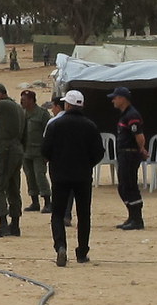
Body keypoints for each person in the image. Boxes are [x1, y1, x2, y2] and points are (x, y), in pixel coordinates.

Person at [41, 90, 104, 266]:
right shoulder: (90, 126)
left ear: (67, 105)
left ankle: (60, 246)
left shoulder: (55, 125)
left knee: (58, 214)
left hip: (60, 176)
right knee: (84, 215)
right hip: (83, 176)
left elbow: (45, 150)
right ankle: (82, 252)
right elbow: (99, 152)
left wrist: (56, 161)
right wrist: (87, 163)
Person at [0, 83, 26, 238]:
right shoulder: (17, 108)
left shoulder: (3, 105)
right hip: (17, 149)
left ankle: (3, 224)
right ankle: (15, 224)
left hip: (6, 151)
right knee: (13, 188)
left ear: (0, 94)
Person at [109, 86, 148, 230]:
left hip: (130, 153)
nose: (113, 100)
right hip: (124, 154)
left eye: (115, 97)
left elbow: (139, 135)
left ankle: (137, 219)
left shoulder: (132, 115)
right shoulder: (125, 114)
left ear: (122, 98)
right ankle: (132, 216)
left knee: (130, 185)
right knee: (123, 186)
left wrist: (141, 149)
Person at [20, 90, 52, 214]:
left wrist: (47, 152)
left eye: (25, 99)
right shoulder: (22, 113)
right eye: (21, 99)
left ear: (32, 100)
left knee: (40, 176)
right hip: (25, 151)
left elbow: (48, 133)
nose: (22, 101)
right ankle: (34, 202)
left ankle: (48, 202)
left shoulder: (42, 114)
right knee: (30, 176)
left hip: (39, 151)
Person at [44, 96, 74, 226]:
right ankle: (67, 215)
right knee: (72, 190)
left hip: (58, 161)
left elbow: (46, 143)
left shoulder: (53, 122)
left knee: (58, 189)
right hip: (75, 162)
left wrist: (46, 157)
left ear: (58, 106)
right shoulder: (82, 121)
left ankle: (59, 215)